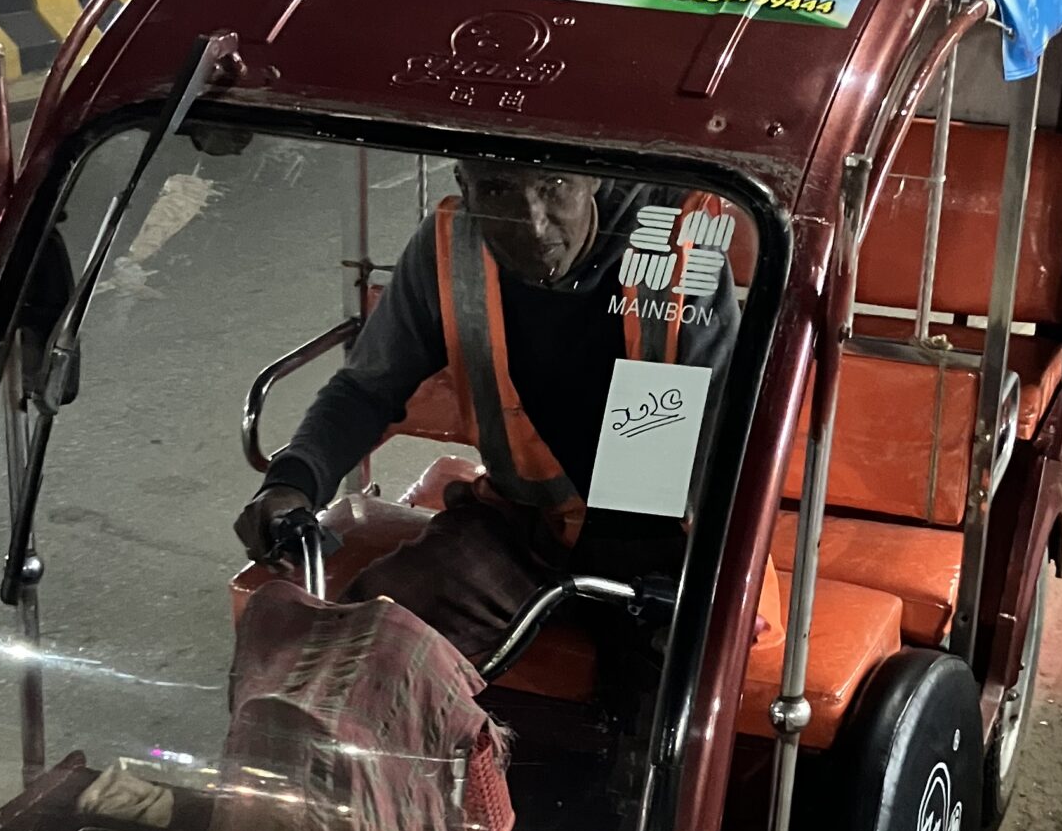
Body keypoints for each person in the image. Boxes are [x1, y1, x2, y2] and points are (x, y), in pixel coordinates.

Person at [236, 164, 739, 664]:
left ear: (595, 178)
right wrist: (293, 481)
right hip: (522, 523)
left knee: (675, 697)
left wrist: (709, 587)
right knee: (354, 653)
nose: (533, 224)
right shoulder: (451, 246)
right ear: (465, 185)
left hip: (664, 545)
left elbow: (719, 431)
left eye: (554, 186)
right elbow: (368, 388)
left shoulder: (677, 241)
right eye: (498, 190)